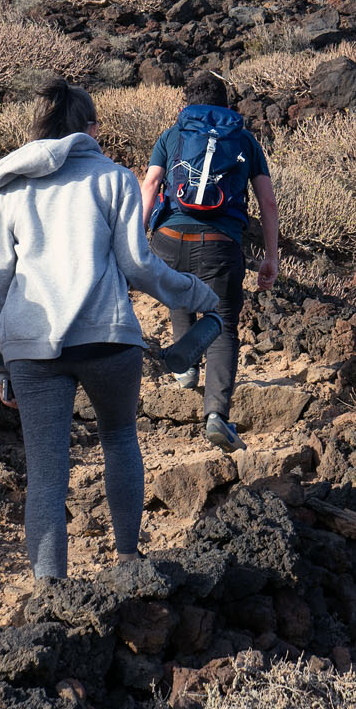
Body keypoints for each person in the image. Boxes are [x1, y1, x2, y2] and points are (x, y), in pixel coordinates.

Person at [0, 80, 222, 582]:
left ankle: (50, 590)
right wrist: (198, 295)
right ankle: (128, 562)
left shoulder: (7, 190)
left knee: (46, 475)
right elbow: (138, 266)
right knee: (119, 439)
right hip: (108, 340)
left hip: (32, 347)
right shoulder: (113, 180)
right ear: (91, 129)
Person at [140, 71, 280, 452]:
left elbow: (151, 185)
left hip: (169, 238)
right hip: (220, 244)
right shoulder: (245, 140)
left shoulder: (172, 135)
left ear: (186, 104)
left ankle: (185, 371)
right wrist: (271, 256)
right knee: (223, 323)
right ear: (227, 106)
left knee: (180, 293)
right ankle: (216, 415)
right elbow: (267, 201)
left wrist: (133, 239)